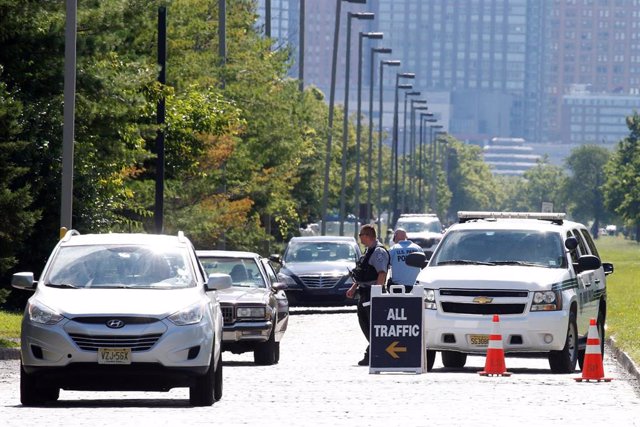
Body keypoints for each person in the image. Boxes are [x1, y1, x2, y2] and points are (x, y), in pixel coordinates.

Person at [346, 224, 389, 366]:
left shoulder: (378, 252)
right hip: (364, 292)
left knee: (373, 324)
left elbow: (381, 274)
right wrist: (354, 287)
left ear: (367, 235)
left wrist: (377, 294)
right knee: (365, 322)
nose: (359, 238)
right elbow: (362, 273)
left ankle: (374, 352)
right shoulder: (369, 251)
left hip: (372, 293)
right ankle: (376, 349)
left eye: (360, 235)